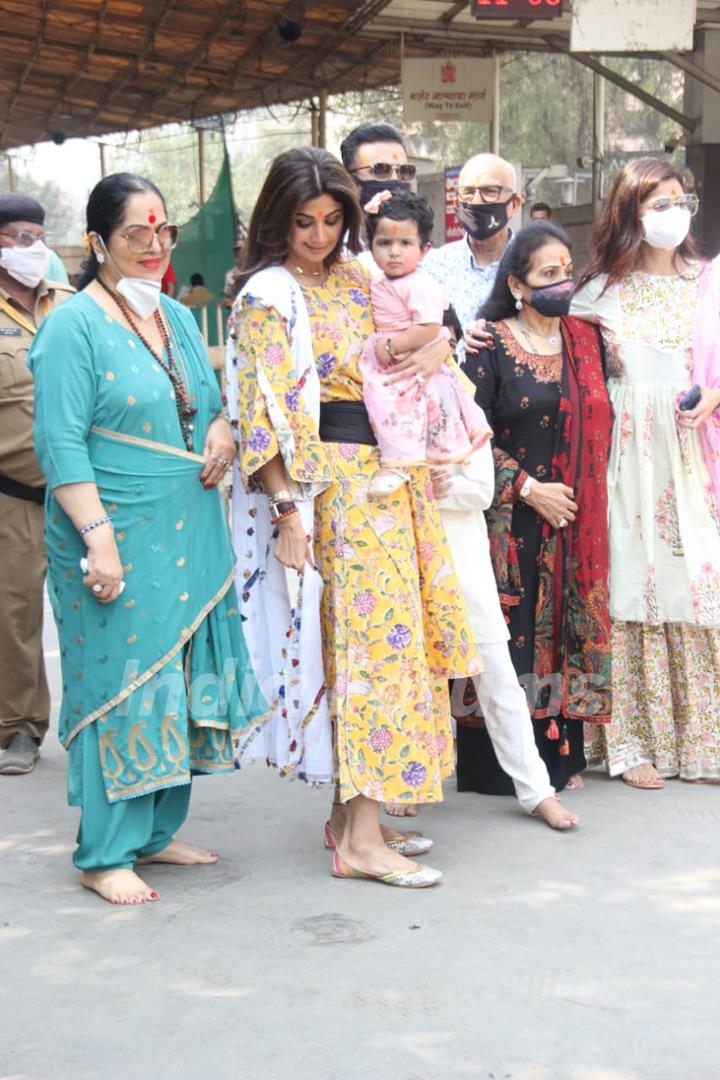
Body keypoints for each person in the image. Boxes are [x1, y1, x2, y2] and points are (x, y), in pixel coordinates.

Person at [227, 147, 480, 888]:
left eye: (333, 220)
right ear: (278, 219)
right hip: (326, 486)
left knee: (385, 651)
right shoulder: (267, 296)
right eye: (303, 221)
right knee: (370, 658)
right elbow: (260, 415)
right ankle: (362, 841)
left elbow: (430, 328)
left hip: (387, 477)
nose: (318, 235)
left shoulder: (356, 275)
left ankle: (352, 818)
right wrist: (285, 512)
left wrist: (437, 346)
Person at [27, 173, 267, 905]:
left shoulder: (175, 314)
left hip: (190, 534)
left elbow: (214, 401)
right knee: (127, 687)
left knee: (182, 682)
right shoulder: (72, 325)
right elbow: (59, 442)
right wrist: (98, 539)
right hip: (116, 534)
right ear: (99, 242)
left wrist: (225, 428)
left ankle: (156, 836)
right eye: (138, 233)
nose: (156, 247)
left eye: (164, 233)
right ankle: (105, 852)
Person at [571, 157, 720, 787]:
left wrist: (714, 395)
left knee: (697, 580)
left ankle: (701, 740)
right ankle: (627, 743)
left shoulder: (709, 281)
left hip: (692, 455)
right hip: (623, 460)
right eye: (657, 202)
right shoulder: (597, 291)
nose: (673, 211)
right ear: (629, 212)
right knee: (630, 583)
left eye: (680, 199)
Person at [462, 221, 613, 794]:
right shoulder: (491, 343)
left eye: (566, 271)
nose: (563, 282)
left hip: (574, 519)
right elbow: (467, 437)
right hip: (511, 518)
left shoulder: (588, 340)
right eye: (549, 274)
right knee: (511, 635)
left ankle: (558, 759)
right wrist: (528, 488)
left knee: (561, 634)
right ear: (519, 286)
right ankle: (496, 763)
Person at [432, 440, 578, 829]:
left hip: (463, 556)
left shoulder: (462, 404)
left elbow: (481, 490)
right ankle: (408, 786)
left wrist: (431, 487)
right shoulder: (382, 395)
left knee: (498, 676)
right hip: (405, 551)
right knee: (413, 676)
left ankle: (537, 791)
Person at [0, 193, 74, 775]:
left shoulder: (70, 303)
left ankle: (96, 724)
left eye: (38, 236)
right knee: (17, 616)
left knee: (95, 608)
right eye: (19, 237)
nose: (34, 247)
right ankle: (20, 729)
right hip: (14, 494)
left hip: (82, 492)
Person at [362, 190, 490, 495]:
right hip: (394, 354)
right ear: (371, 247)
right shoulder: (379, 280)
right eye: (385, 243)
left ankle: (399, 464)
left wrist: (391, 347)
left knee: (397, 405)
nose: (394, 252)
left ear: (424, 250)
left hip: (414, 358)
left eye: (405, 243)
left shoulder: (420, 284)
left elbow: (430, 328)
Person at [424, 153, 522, 359]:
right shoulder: (432, 267)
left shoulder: (531, 266)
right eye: (467, 192)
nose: (477, 201)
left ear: (514, 204)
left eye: (490, 191)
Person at [339, 121, 416, 211]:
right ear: (350, 180)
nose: (395, 179)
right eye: (381, 169)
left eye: (404, 170)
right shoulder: (330, 223)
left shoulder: (420, 222)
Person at [223, 241, 244, 307]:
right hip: (237, 311)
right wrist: (232, 304)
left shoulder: (254, 272)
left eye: (241, 251)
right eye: (237, 252)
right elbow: (227, 298)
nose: (239, 254)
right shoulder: (230, 275)